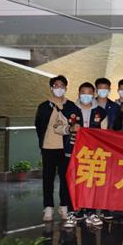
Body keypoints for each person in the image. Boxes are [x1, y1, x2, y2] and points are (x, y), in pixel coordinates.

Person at [35, 75, 81, 227]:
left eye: (62, 85)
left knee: (65, 178)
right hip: (48, 148)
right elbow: (39, 126)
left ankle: (64, 206)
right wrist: (43, 142)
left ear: (66, 88)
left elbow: (77, 125)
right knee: (48, 178)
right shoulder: (44, 106)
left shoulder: (71, 106)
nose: (59, 88)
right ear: (51, 87)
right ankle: (48, 207)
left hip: (66, 148)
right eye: (56, 85)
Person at [75, 82, 109, 226]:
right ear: (79, 93)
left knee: (92, 181)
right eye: (83, 92)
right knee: (78, 180)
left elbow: (104, 133)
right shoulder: (71, 109)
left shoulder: (100, 112)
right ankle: (78, 209)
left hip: (94, 152)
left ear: (93, 94)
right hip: (76, 151)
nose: (86, 95)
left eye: (89, 93)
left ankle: (92, 210)